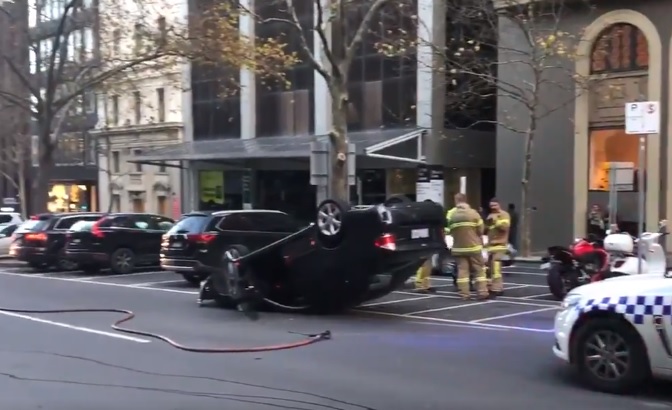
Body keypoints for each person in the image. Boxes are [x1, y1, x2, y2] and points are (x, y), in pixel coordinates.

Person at [446, 193, 489, 300]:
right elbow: (481, 230)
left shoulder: (453, 216)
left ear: (456, 201)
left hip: (459, 248)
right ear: (466, 200)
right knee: (479, 270)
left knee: (462, 271)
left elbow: (449, 231)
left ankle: (464, 294)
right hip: (473, 247)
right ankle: (482, 292)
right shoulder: (473, 214)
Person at [414, 199, 442, 293]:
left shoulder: (425, 216)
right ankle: (420, 284)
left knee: (428, 264)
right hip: (422, 242)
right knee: (424, 263)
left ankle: (426, 284)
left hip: (427, 241)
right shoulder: (420, 217)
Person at [485, 198, 510, 296]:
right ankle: (491, 286)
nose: (493, 207)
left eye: (495, 205)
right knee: (489, 269)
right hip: (490, 245)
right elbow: (488, 230)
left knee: (496, 268)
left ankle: (498, 288)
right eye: (491, 205)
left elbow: (504, 228)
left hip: (500, 245)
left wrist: (496, 221)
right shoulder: (490, 215)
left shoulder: (504, 215)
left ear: (499, 205)